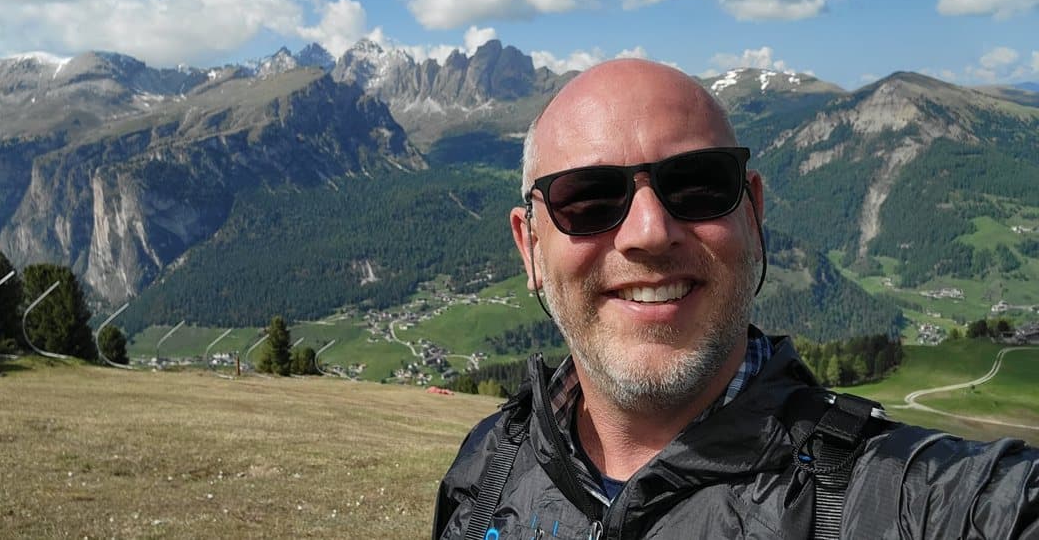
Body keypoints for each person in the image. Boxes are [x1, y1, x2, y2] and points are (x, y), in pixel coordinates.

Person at [432, 59, 1039, 539]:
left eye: (698, 185)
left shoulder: (897, 499)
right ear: (531, 247)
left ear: (753, 211)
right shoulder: (486, 467)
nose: (649, 232)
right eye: (586, 199)